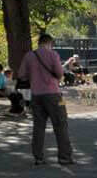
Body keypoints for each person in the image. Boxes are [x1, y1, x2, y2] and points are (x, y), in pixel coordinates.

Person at [17, 33, 75, 166]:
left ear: (39, 43)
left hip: (36, 95)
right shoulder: (53, 55)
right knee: (61, 125)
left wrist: (33, 77)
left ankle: (38, 157)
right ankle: (64, 157)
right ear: (50, 43)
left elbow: (21, 75)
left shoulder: (29, 56)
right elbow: (59, 73)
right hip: (54, 94)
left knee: (38, 126)